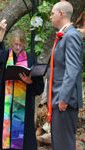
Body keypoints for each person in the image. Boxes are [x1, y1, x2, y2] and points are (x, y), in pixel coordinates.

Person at [0, 19, 44, 150]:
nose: (17, 47)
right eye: (14, 44)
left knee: (23, 137)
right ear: (11, 43)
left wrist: (30, 82)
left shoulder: (30, 58)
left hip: (23, 103)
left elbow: (38, 84)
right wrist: (2, 31)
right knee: (3, 131)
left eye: (19, 44)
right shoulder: (6, 55)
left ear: (24, 43)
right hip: (5, 101)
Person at [48, 1, 83, 150]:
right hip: (57, 98)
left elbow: (73, 69)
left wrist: (63, 98)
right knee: (59, 143)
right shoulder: (64, 35)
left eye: (52, 13)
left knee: (64, 145)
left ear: (61, 14)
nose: (50, 17)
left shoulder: (71, 36)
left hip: (64, 101)